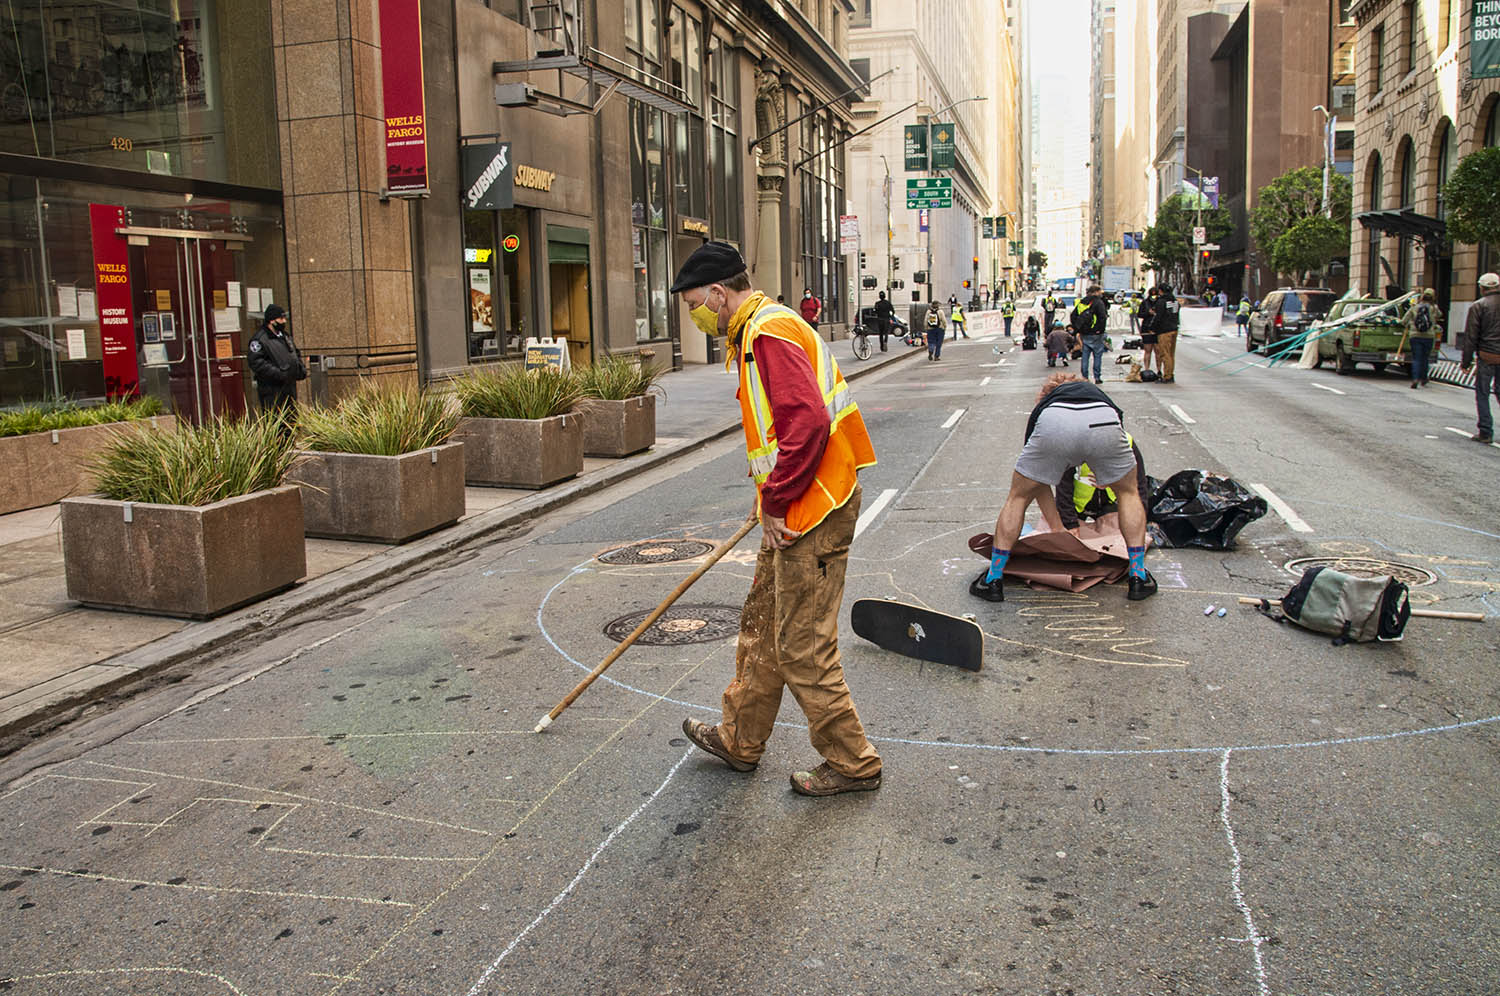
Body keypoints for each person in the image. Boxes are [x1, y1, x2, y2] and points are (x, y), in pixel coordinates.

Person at [669, 241, 882, 796]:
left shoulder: (766, 332)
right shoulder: (758, 330)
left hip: (814, 510)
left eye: (695, 304)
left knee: (802, 646)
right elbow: (778, 432)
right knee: (762, 626)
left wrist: (779, 500)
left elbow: (806, 424)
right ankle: (740, 739)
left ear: (719, 293)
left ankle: (853, 762)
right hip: (795, 506)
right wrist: (768, 498)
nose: (695, 315)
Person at [970, 372, 1156, 603]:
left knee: (1018, 497)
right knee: (1128, 493)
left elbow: (1039, 484)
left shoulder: (1046, 407)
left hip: (1055, 424)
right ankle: (1138, 576)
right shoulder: (1097, 396)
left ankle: (993, 579)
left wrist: (1057, 528)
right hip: (1104, 420)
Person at [1055, 435, 1148, 532]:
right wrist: (1070, 524)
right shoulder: (1072, 445)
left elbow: (1139, 486)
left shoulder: (1127, 442)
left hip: (1113, 504)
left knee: (1124, 536)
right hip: (1075, 506)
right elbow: (1063, 488)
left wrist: (1140, 520)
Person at [248, 304, 306, 431]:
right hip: (272, 389)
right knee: (276, 421)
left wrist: (300, 369)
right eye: (281, 319)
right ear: (271, 320)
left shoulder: (285, 336)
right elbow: (256, 363)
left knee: (290, 419)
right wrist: (279, 373)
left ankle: (290, 445)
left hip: (288, 387)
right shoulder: (260, 339)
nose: (284, 322)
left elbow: (295, 354)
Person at [1461, 271, 1500, 443]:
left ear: (1482, 288)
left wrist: (1466, 362)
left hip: (1487, 355)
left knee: (1482, 392)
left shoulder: (1478, 306)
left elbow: (1471, 336)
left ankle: (1485, 431)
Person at [1402, 288, 1442, 389]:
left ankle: (1415, 378)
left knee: (1416, 358)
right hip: (1429, 336)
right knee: (1425, 358)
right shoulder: (1434, 308)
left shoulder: (1414, 307)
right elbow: (1440, 315)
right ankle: (1424, 378)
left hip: (1415, 336)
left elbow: (1404, 321)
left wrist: (1409, 325)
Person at [1071, 285, 1109, 385]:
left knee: (1085, 355)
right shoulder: (1098, 302)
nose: (1101, 293)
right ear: (1096, 292)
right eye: (1100, 291)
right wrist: (1100, 330)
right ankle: (1097, 377)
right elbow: (1102, 317)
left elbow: (1073, 316)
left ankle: (1084, 377)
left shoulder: (1082, 302)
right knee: (1097, 355)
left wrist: (1078, 329)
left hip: (1085, 333)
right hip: (1096, 333)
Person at [1155, 284, 1181, 383]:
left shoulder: (1161, 302)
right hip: (1174, 328)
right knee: (1171, 354)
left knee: (1164, 354)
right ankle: (1170, 373)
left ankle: (1167, 376)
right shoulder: (1175, 301)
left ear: (1161, 291)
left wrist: (1153, 328)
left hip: (1164, 330)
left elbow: (1158, 316)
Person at [1138, 287, 1161, 377]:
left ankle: (1159, 370)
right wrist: (1148, 313)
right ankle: (1146, 369)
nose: (1154, 297)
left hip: (1157, 329)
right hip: (1147, 328)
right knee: (1148, 350)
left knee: (1158, 351)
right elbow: (1140, 314)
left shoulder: (1160, 302)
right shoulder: (1145, 302)